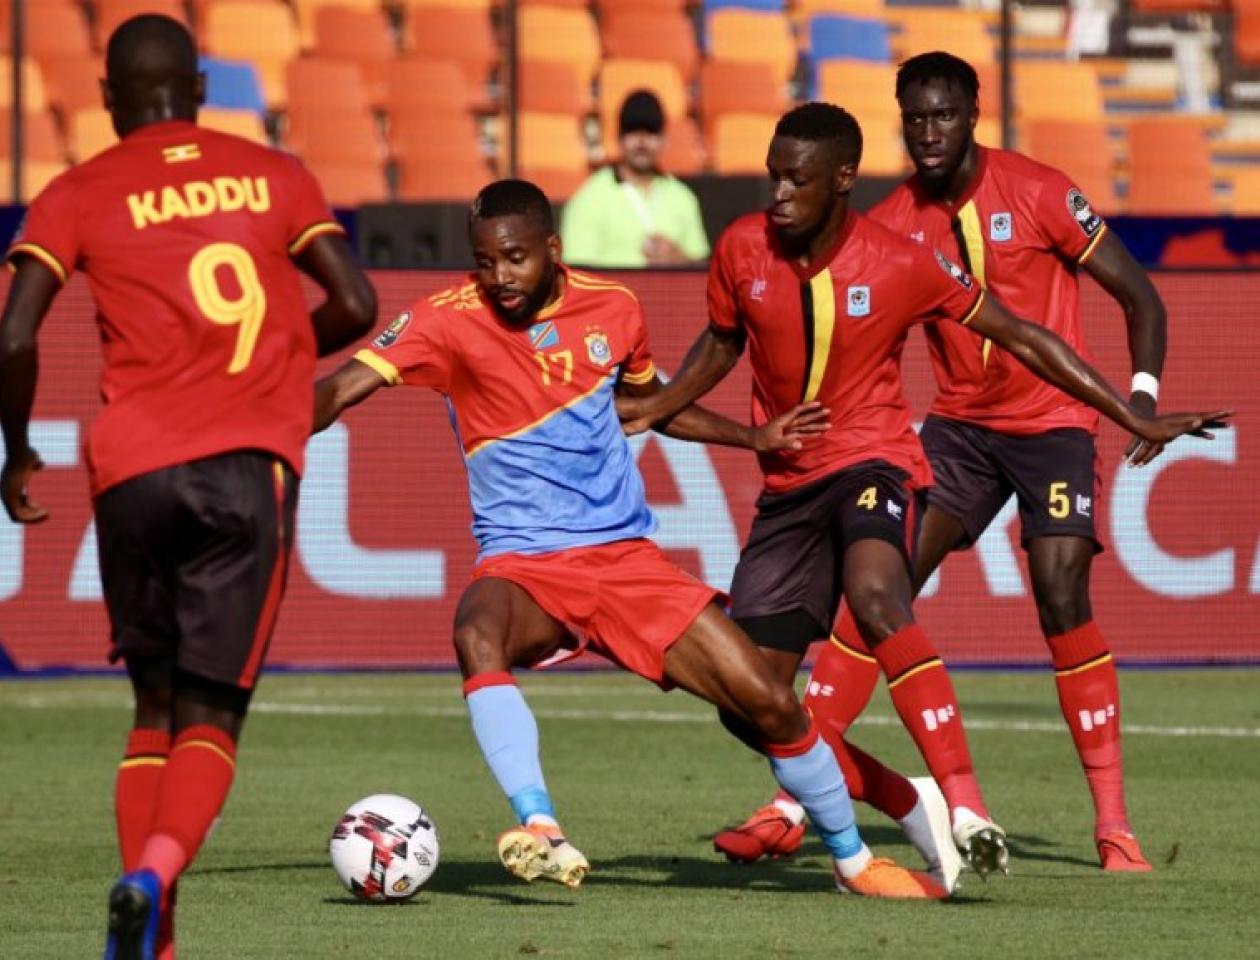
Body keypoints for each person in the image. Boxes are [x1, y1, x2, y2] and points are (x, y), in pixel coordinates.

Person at [617, 103, 1229, 881]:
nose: (777, 193)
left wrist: (1130, 404)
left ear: (839, 179)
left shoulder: (943, 233)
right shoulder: (755, 245)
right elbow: (721, 344)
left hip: (947, 445)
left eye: (794, 179)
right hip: (887, 453)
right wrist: (658, 405)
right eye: (773, 175)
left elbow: (1030, 332)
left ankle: (1007, 809)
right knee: (753, 699)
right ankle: (893, 798)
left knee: (933, 590)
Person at [314, 178, 952, 902]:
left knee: (768, 706)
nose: (500, 279)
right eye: (485, 262)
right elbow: (336, 391)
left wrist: (749, 436)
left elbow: (648, 407)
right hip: (524, 564)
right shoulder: (444, 320)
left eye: (516, 259)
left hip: (625, 564)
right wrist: (253, 421)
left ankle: (853, 859)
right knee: (476, 632)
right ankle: (541, 826)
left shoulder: (615, 307)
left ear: (552, 250)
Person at [736, 51, 1188, 873]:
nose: (929, 132)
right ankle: (793, 798)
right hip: (957, 432)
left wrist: (1143, 400)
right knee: (878, 587)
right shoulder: (889, 223)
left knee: (1060, 593)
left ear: (974, 115)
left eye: (944, 115)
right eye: (915, 118)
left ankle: (1114, 824)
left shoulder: (1043, 190)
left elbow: (1140, 296)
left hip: (1054, 428)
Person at [0, 15, 377, 960]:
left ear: (106, 100)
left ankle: (152, 941)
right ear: (201, 86)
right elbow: (359, 305)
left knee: (152, 711)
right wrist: (276, 367)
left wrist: (14, 453)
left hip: (129, 470)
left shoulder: (76, 191)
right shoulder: (276, 174)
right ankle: (152, 877)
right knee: (212, 718)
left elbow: (13, 336)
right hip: (244, 466)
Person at [560, 89, 710, 268]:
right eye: (633, 131)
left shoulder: (683, 198)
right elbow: (576, 278)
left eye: (651, 131)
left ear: (665, 139)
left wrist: (680, 260)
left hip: (671, 295)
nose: (642, 141)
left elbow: (703, 274)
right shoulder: (589, 200)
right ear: (618, 138)